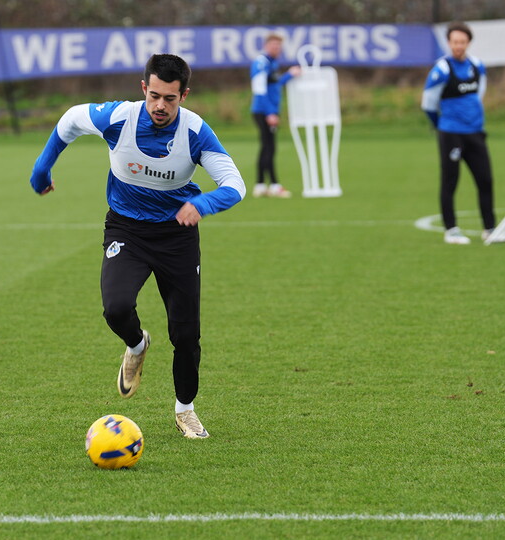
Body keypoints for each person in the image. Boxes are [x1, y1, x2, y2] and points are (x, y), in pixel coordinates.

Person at [29, 54, 246, 439]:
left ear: (184, 95)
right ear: (144, 88)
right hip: (126, 230)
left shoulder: (195, 132)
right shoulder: (118, 118)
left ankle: (186, 410)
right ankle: (136, 343)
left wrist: (202, 203)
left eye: (171, 99)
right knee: (115, 308)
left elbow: (235, 185)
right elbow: (69, 122)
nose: (161, 106)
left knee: (186, 333)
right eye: (155, 95)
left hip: (176, 236)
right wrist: (42, 169)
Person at [421, 21, 505, 244]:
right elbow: (428, 104)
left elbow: (478, 96)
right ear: (449, 43)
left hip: (475, 132)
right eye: (455, 42)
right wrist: (442, 125)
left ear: (468, 42)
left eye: (462, 42)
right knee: (450, 181)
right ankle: (451, 230)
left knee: (485, 180)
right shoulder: (442, 70)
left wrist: (472, 119)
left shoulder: (477, 66)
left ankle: (490, 229)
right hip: (451, 133)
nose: (458, 46)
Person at [250, 33, 301, 198]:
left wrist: (289, 75)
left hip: (266, 110)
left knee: (266, 147)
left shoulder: (273, 63)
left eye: (279, 46)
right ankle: (274, 185)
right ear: (266, 46)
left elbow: (275, 83)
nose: (276, 49)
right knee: (269, 148)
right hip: (263, 111)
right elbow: (259, 89)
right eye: (274, 46)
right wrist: (270, 112)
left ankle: (259, 185)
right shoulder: (261, 63)